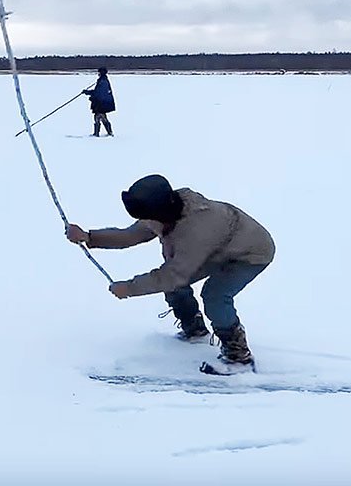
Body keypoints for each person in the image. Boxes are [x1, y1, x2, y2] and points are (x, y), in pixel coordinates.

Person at [65, 174, 275, 372]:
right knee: (175, 285)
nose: (145, 221)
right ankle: (195, 331)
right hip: (218, 247)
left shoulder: (195, 229)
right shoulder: (166, 209)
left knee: (214, 296)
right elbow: (130, 235)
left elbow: (173, 275)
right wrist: (89, 237)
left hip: (249, 253)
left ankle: (238, 357)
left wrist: (129, 288)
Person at [82, 67, 115, 137]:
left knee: (99, 117)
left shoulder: (103, 81)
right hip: (102, 103)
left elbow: (99, 93)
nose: (98, 74)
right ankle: (108, 132)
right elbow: (98, 92)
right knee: (101, 117)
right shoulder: (102, 80)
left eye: (99, 72)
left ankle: (98, 133)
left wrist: (90, 94)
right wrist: (88, 92)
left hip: (101, 103)